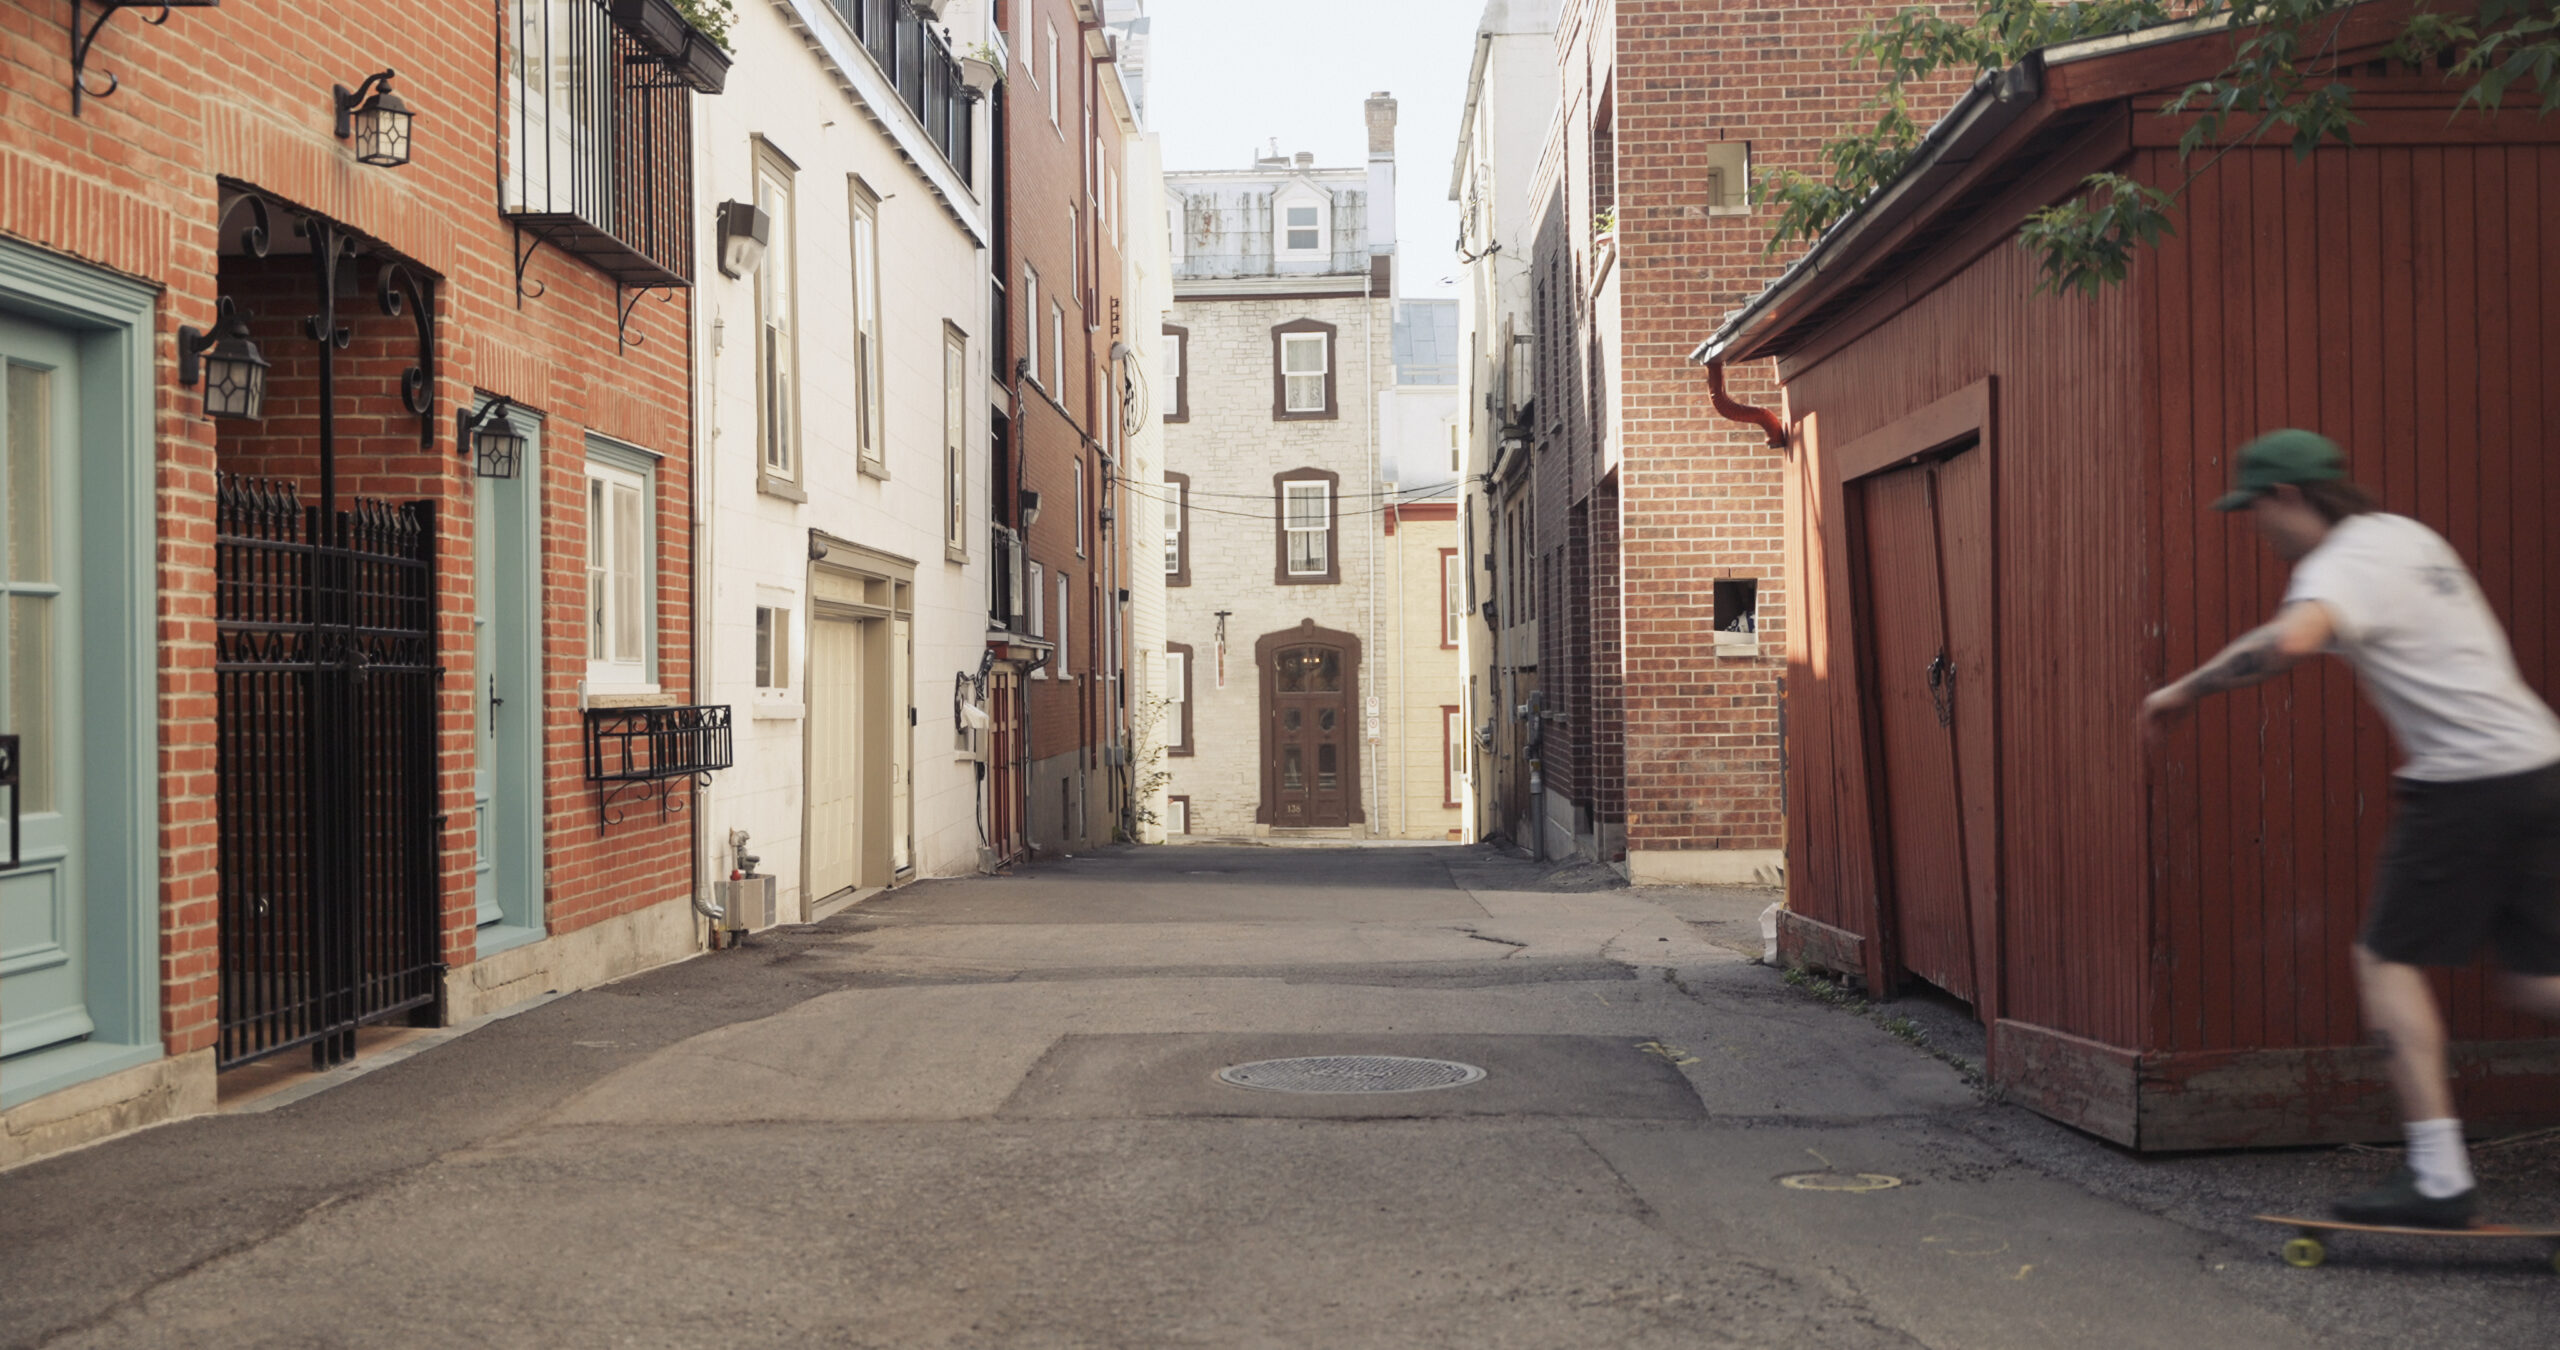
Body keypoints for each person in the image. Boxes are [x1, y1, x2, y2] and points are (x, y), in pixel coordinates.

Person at [2137, 428, 2560, 1228]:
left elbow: (2292, 639)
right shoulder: (2407, 536)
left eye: (2254, 508)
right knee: (2537, 979)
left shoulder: (2339, 565)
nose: (2254, 525)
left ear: (2289, 497)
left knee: (2386, 960)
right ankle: (2437, 1173)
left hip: (2469, 782)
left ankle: (2439, 1177)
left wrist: (2182, 693)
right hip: (2539, 763)